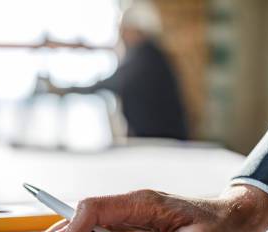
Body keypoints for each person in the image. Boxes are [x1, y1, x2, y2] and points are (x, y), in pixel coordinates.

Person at [10, 32, 268, 232]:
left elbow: (113, 83)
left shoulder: (144, 54)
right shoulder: (145, 53)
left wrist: (241, 212)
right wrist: (243, 211)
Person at [45, 1, 189, 140]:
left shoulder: (147, 55)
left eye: (124, 30)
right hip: (157, 139)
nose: (121, 35)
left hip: (162, 141)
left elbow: (116, 82)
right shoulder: (148, 53)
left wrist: (68, 90)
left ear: (137, 30)